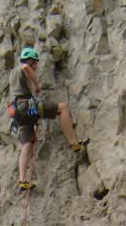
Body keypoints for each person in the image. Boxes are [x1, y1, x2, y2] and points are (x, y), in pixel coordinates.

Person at [12, 46, 85, 192]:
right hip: (25, 106)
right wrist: (37, 84)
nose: (37, 66)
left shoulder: (12, 74)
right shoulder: (23, 67)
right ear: (31, 60)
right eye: (36, 63)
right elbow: (26, 68)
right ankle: (74, 143)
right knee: (62, 107)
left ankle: (22, 180)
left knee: (28, 143)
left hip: (16, 111)